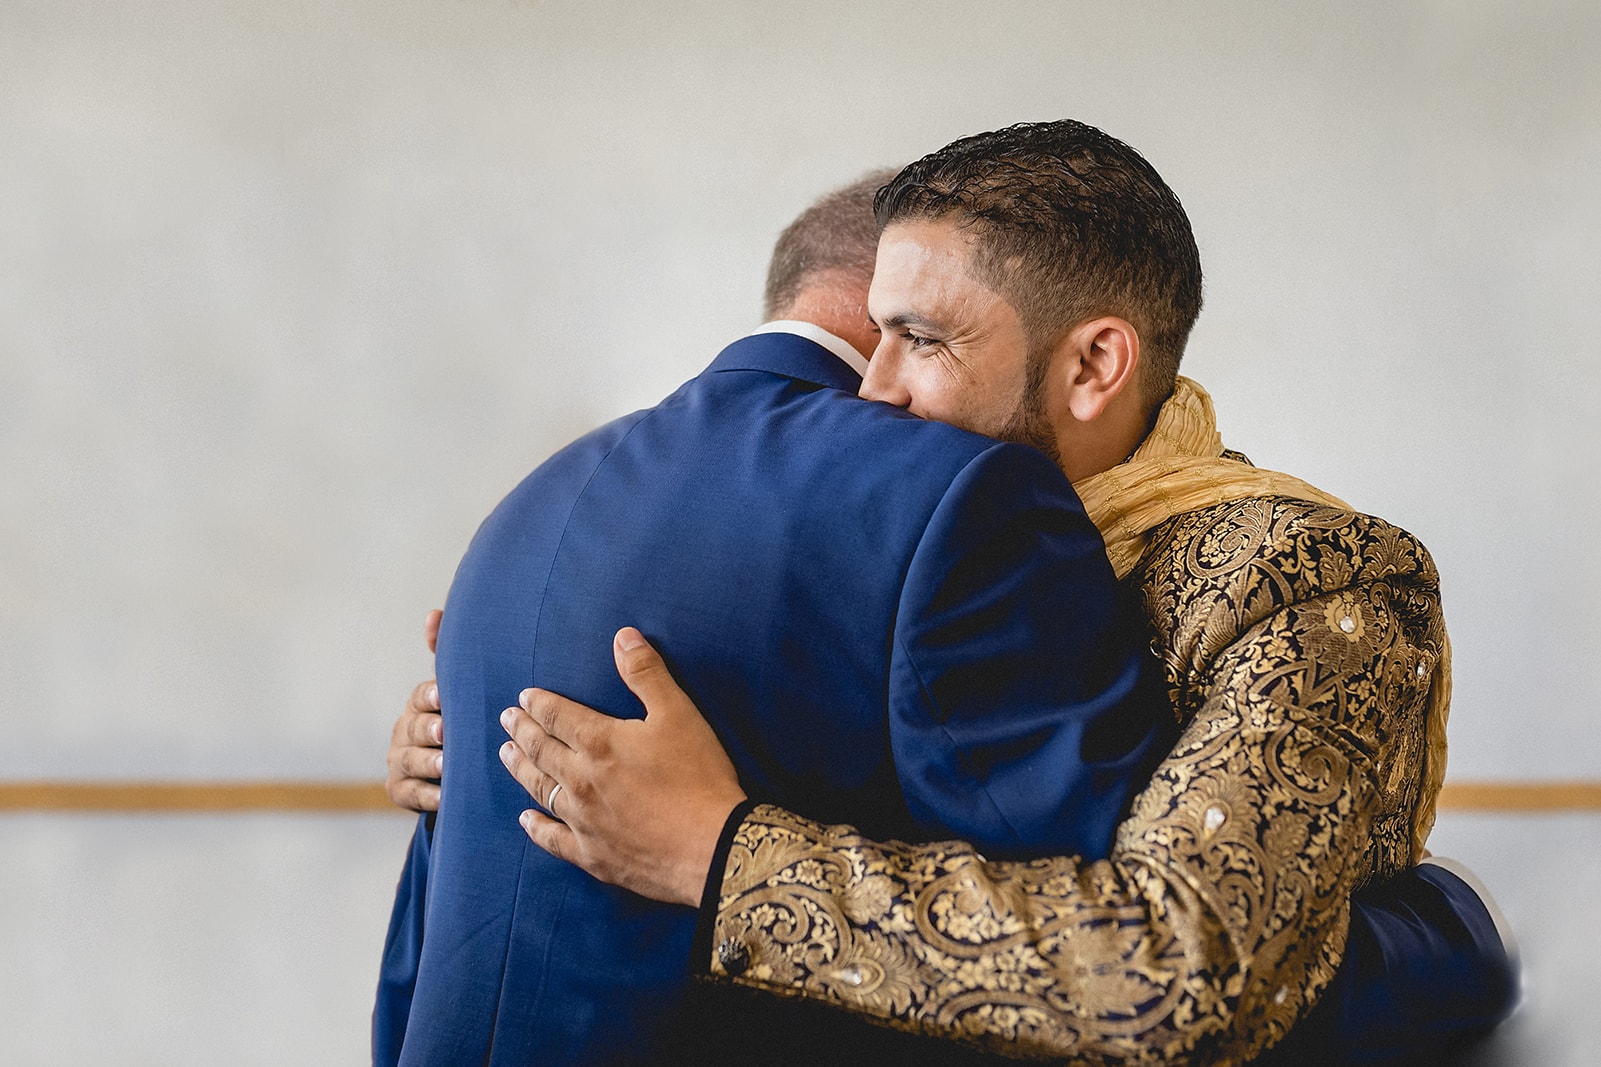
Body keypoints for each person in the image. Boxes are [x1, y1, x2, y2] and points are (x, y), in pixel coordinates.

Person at [481, 121, 1519, 1063]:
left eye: (922, 339)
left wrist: (723, 856)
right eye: (874, 333)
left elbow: (1185, 971)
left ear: (1092, 366)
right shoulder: (887, 542)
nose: (872, 388)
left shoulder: (1303, 577)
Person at [373, 169, 1176, 1065]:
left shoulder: (530, 507)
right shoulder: (960, 497)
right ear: (891, 299)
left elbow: (426, 948)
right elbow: (1111, 936)